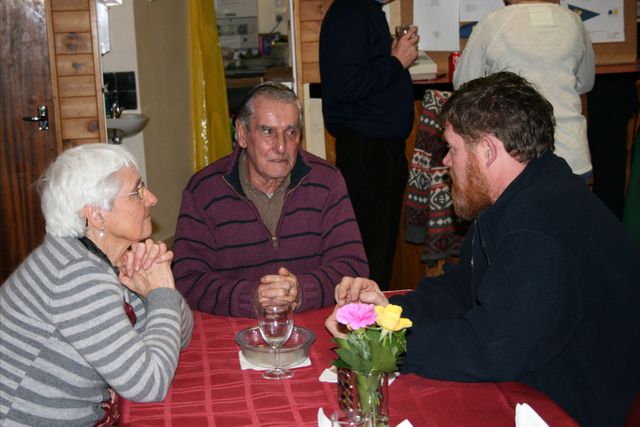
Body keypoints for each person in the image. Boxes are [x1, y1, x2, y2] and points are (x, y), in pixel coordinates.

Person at [326, 72, 640, 427]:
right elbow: (462, 288)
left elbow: (492, 347)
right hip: (535, 382)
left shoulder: (539, 227)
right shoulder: (521, 198)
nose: (446, 162)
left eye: (453, 148)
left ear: (488, 151)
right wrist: (386, 315)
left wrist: (386, 345)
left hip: (569, 409)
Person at [0, 144, 193, 426]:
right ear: (96, 215)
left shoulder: (89, 258)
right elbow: (149, 384)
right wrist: (161, 293)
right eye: (137, 192)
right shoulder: (76, 277)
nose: (152, 198)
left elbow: (179, 336)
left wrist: (154, 292)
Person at [172, 82, 368, 317]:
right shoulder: (204, 190)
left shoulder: (327, 181)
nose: (281, 146)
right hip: (235, 329)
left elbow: (353, 266)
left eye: (291, 132)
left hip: (313, 325)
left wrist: (301, 291)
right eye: (268, 132)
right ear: (242, 134)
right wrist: (252, 297)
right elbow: (187, 279)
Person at [319, 0, 419, 290]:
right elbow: (347, 85)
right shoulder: (351, 12)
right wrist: (396, 61)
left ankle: (368, 313)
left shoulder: (362, 11)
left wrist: (392, 58)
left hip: (376, 150)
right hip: (368, 153)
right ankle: (365, 316)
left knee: (377, 250)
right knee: (370, 254)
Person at [453, 0, 595, 181]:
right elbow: (586, 82)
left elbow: (464, 85)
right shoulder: (573, 22)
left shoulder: (494, 23)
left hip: (514, 153)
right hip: (571, 151)